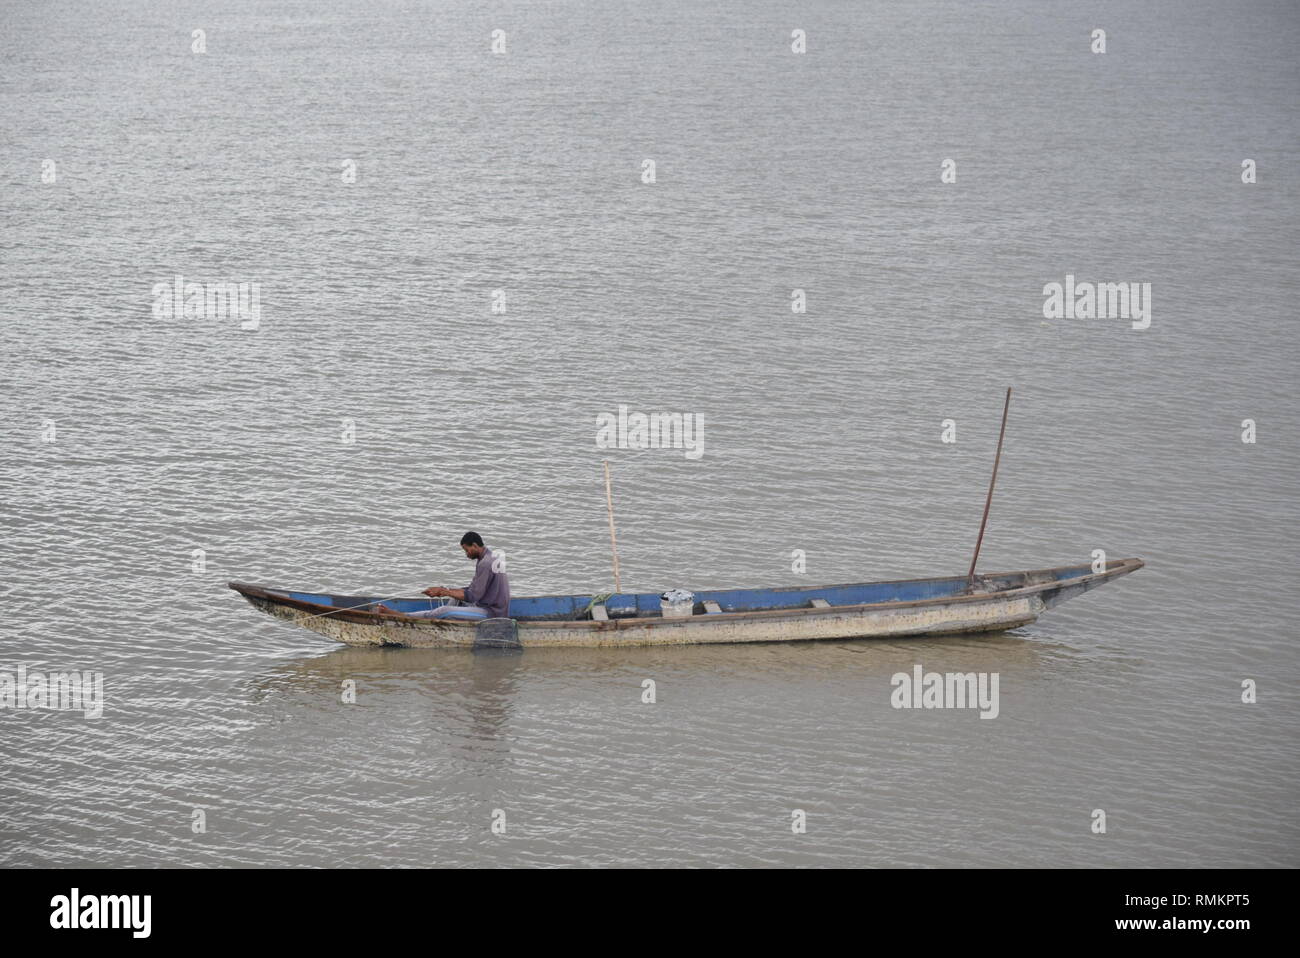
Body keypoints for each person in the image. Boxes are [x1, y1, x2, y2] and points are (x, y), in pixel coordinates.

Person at [373, 531, 510, 620]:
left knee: (443, 610)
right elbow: (474, 589)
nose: (466, 554)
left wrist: (444, 591)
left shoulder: (485, 563)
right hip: (489, 605)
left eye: (466, 550)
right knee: (455, 598)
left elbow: (473, 596)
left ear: (474, 546)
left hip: (492, 614)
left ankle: (402, 616)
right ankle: (432, 616)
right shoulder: (490, 556)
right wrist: (444, 590)